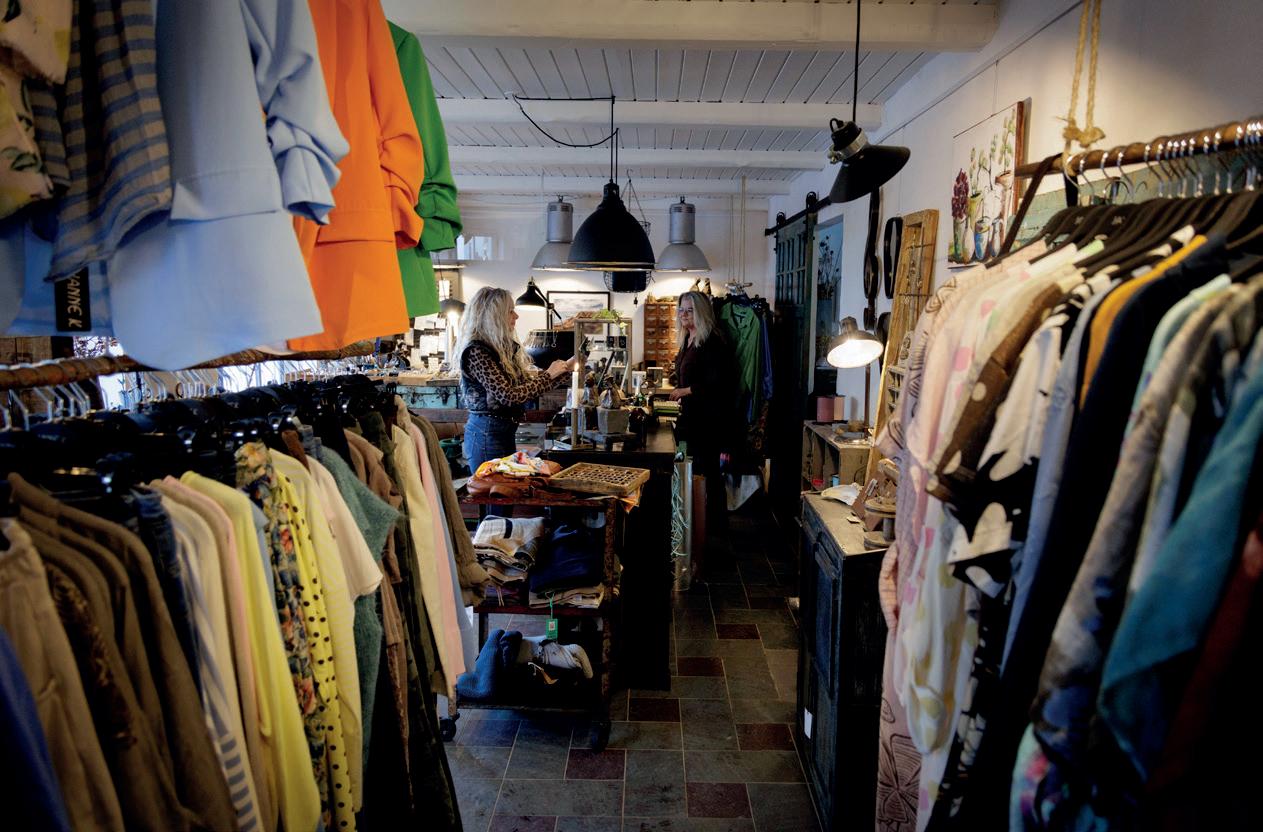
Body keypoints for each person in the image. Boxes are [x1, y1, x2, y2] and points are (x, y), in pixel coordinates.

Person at [456, 287, 576, 472]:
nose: (516, 316)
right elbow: (508, 396)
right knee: (494, 488)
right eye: (510, 311)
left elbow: (526, 388)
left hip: (502, 430)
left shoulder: (500, 350)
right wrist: (549, 374)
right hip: (487, 433)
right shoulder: (477, 351)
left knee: (506, 486)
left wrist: (566, 369)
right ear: (493, 316)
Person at [669, 291, 738, 545]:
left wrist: (685, 391)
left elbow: (720, 384)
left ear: (701, 313)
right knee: (692, 473)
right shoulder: (688, 339)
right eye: (681, 309)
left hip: (708, 422)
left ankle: (715, 536)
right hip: (690, 420)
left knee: (709, 477)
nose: (684, 314)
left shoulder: (713, 342)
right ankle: (695, 528)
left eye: (690, 310)